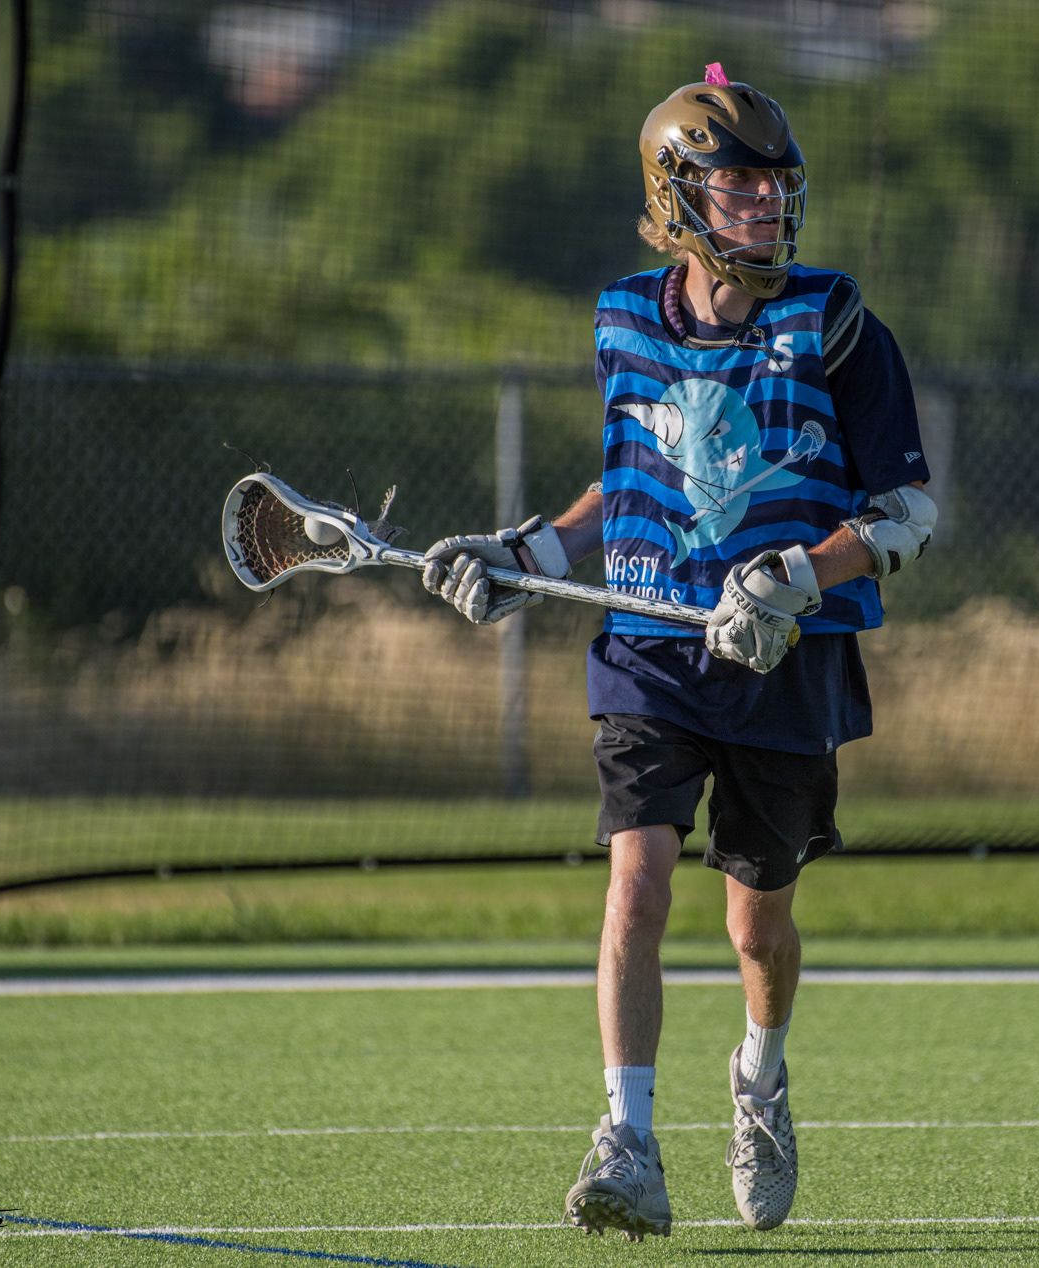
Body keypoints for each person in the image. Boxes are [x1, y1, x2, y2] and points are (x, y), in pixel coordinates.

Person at [422, 65, 935, 1240]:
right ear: (675, 194)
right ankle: (628, 1140)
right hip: (650, 645)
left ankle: (759, 1074)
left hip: (784, 657)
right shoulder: (621, 317)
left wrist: (796, 574)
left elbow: (907, 514)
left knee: (757, 926)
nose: (765, 206)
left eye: (775, 186)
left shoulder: (836, 323)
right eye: (739, 186)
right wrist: (523, 553)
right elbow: (630, 480)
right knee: (637, 882)